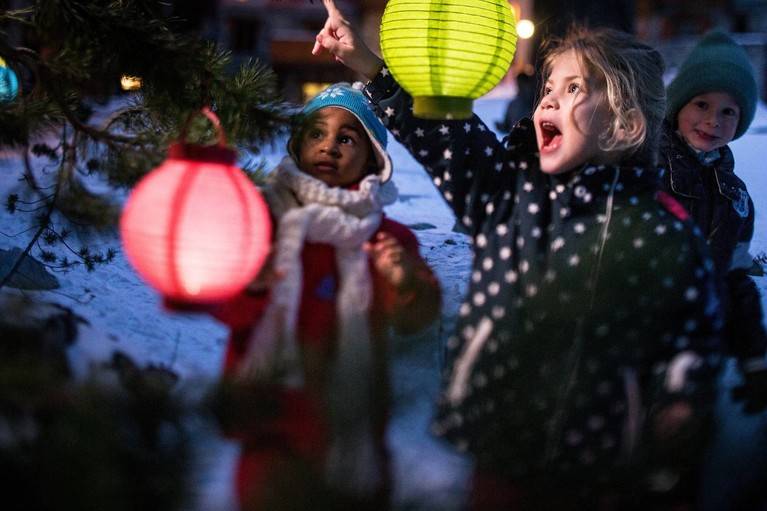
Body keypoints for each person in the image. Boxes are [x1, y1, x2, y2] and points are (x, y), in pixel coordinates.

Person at [312, 2, 722, 509]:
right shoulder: (509, 193)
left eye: (574, 89)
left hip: (601, 466)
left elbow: (692, 333)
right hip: (499, 448)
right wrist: (369, 66)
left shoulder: (661, 230)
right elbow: (445, 135)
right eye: (547, 88)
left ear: (625, 126)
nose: (547, 101)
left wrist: (680, 404)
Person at [187, 83, 441, 510]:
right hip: (270, 431)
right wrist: (251, 284)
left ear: (373, 160)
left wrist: (405, 283)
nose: (329, 147)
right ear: (297, 143)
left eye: (346, 138)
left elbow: (416, 321)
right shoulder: (263, 224)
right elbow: (223, 305)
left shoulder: (387, 239)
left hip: (351, 437)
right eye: (316, 134)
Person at [660, 31, 767, 510]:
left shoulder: (736, 196)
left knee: (686, 468)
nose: (713, 120)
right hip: (642, 344)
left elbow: (737, 276)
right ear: (679, 102)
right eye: (701, 103)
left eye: (729, 112)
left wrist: (754, 357)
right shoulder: (646, 169)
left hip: (703, 355)